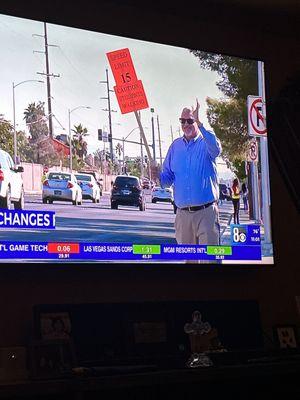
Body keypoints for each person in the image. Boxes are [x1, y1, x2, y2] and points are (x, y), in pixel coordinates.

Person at [160, 99, 222, 246]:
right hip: (183, 216)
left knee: (210, 261)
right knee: (189, 262)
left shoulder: (206, 143)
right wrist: (158, 176)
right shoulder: (175, 146)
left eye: (190, 120)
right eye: (183, 121)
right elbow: (167, 179)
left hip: (206, 213)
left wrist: (200, 123)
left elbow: (216, 149)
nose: (186, 124)